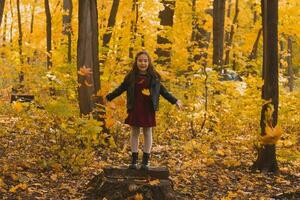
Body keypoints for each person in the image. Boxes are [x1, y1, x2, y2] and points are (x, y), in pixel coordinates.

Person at [105, 50, 182, 170]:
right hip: (135, 107)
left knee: (147, 132)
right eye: (140, 60)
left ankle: (145, 161)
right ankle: (134, 160)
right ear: (136, 62)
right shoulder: (131, 77)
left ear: (149, 62)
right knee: (134, 132)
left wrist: (175, 100)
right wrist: (109, 97)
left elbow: (163, 91)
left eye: (145, 61)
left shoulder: (154, 77)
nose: (143, 63)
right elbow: (121, 88)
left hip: (148, 108)